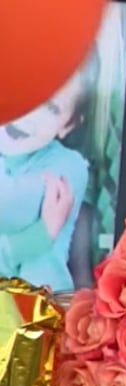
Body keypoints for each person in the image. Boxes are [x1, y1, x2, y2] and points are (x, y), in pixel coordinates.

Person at [0, 66, 93, 293]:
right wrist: (41, 235)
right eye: (24, 95)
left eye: (51, 108)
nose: (28, 114)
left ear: (68, 125)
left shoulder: (69, 165)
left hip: (40, 310)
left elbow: (11, 209)